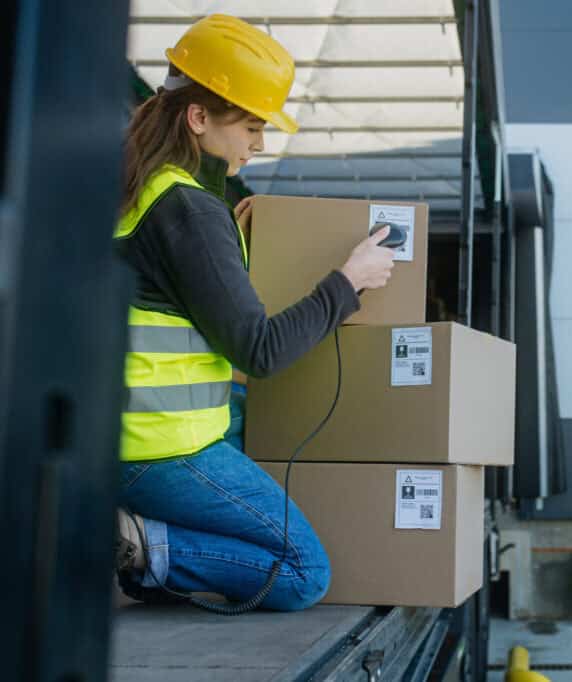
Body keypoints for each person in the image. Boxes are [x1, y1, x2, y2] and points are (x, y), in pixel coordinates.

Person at [113, 14, 395, 611]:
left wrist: (228, 241)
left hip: (123, 436)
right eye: (251, 125)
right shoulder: (191, 210)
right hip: (160, 451)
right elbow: (260, 352)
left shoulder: (148, 186)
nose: (259, 143)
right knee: (304, 572)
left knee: (255, 418)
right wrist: (350, 282)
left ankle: (158, 546)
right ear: (199, 118)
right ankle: (141, 542)